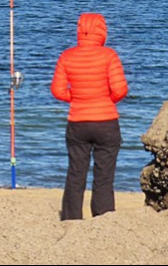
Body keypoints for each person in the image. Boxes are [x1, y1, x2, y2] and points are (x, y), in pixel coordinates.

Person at [50, 13, 128, 220]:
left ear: (79, 30)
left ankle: (71, 218)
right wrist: (105, 99)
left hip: (78, 122)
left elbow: (57, 90)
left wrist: (77, 97)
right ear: (102, 31)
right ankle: (103, 217)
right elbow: (120, 90)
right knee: (104, 175)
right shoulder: (109, 55)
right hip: (106, 121)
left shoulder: (67, 56)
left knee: (76, 172)